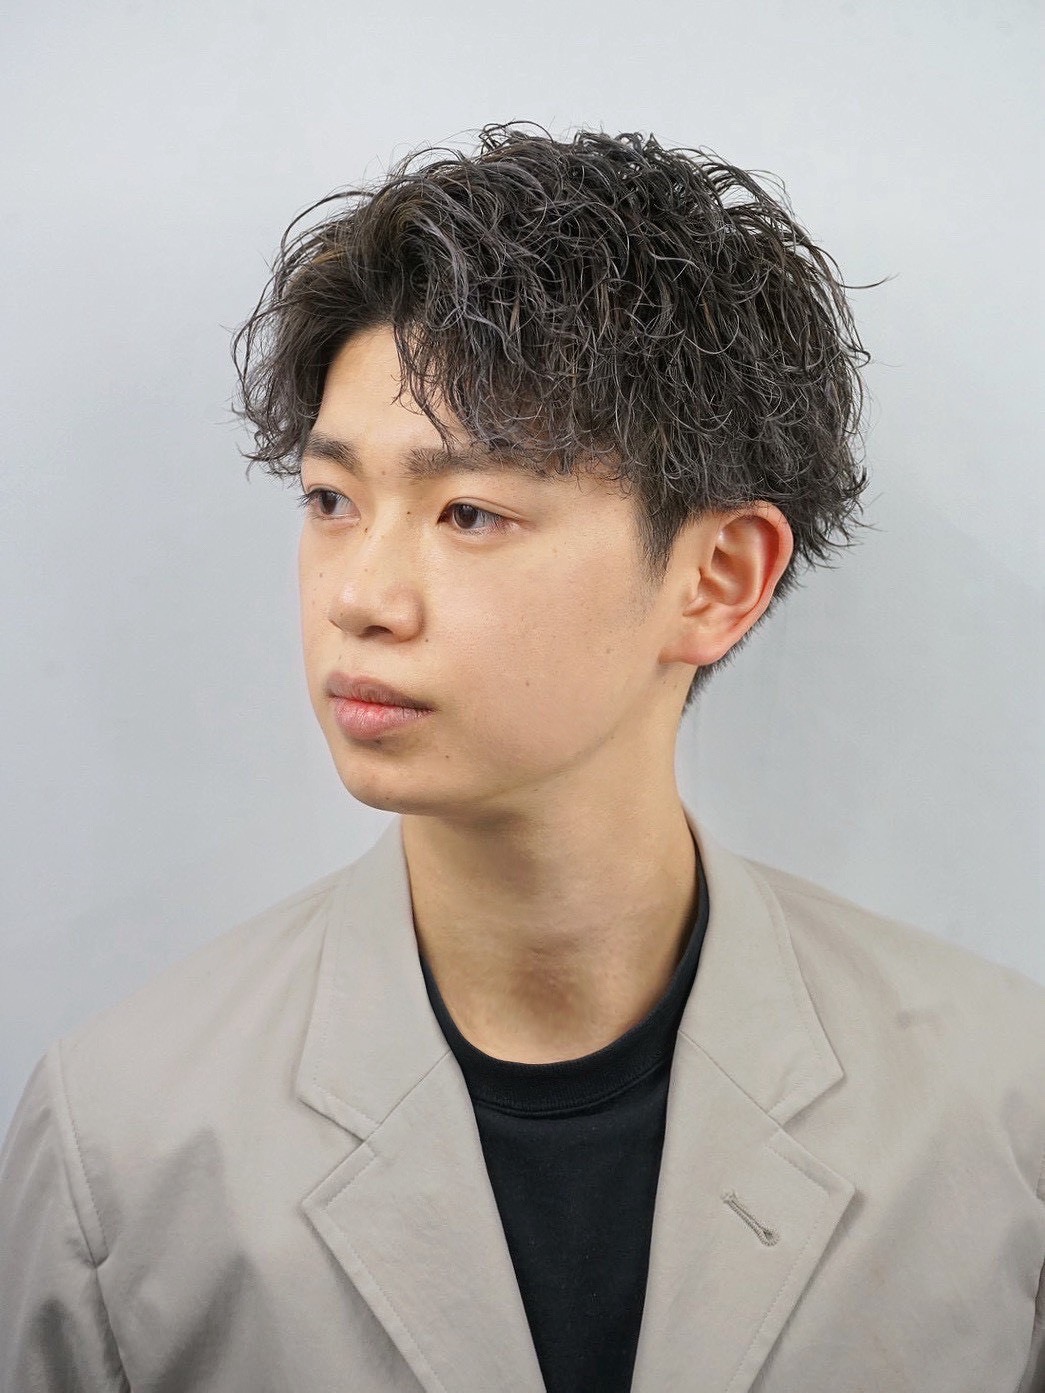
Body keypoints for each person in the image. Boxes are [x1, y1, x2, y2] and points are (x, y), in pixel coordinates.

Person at [0, 122, 1041, 1393]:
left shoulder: (999, 1114)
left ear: (717, 578)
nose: (360, 596)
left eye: (470, 512)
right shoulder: (124, 1142)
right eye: (331, 501)